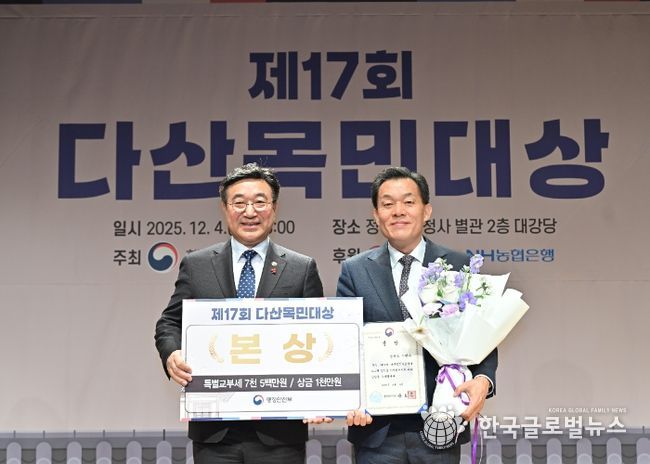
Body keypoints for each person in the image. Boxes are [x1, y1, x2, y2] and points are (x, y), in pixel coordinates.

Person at [155, 163, 326, 464]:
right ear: (225, 209)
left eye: (260, 202)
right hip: (215, 432)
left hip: (280, 432)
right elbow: (169, 322)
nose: (250, 212)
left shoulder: (301, 268)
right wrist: (172, 354)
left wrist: (320, 396)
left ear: (274, 209)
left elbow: (321, 335)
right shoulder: (197, 265)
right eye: (239, 203)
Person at [337, 167, 498, 464]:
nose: (398, 211)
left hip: (441, 420)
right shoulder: (355, 270)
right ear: (376, 215)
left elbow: (481, 333)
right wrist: (349, 398)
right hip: (377, 429)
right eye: (387, 204)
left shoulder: (457, 264)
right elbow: (344, 344)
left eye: (408, 202)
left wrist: (483, 379)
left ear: (427, 211)